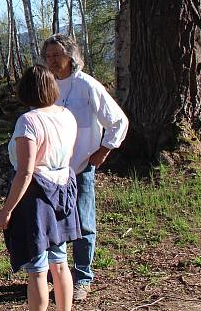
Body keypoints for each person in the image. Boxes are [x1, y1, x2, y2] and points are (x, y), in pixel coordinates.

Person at [41, 34, 129, 302]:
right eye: (48, 56)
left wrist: (102, 151)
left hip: (80, 167)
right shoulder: (47, 86)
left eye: (57, 55)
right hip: (51, 170)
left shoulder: (87, 85)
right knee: (54, 224)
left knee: (83, 224)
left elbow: (118, 121)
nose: (52, 60)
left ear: (70, 55)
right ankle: (56, 275)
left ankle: (82, 278)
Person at [0, 65, 80, 311]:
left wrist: (7, 210)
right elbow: (70, 155)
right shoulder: (67, 115)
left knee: (38, 270)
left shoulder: (28, 121)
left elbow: (25, 171)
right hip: (64, 191)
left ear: (25, 91)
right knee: (61, 263)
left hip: (36, 198)